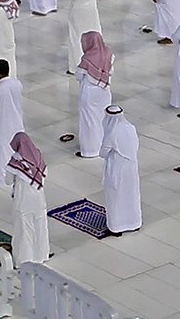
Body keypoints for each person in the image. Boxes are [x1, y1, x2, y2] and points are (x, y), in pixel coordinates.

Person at [7, 133, 50, 266]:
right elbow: (45, 174)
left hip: (23, 200)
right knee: (40, 227)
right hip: (39, 199)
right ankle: (41, 255)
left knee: (24, 230)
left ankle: (24, 260)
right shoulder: (37, 156)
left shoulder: (16, 161)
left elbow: (7, 180)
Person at [100, 106, 142, 235]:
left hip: (117, 168)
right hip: (131, 166)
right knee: (131, 194)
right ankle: (134, 222)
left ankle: (117, 226)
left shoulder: (112, 132)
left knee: (116, 196)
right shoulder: (130, 127)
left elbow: (103, 152)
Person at [0, 59, 24, 186]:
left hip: (2, 125)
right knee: (15, 150)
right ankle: (16, 174)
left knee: (0, 151)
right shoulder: (17, 84)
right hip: (17, 122)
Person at [76, 31, 113, 157]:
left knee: (89, 121)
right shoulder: (108, 53)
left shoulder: (87, 58)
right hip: (105, 91)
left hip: (89, 93)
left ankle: (90, 150)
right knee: (102, 119)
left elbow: (79, 75)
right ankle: (103, 146)